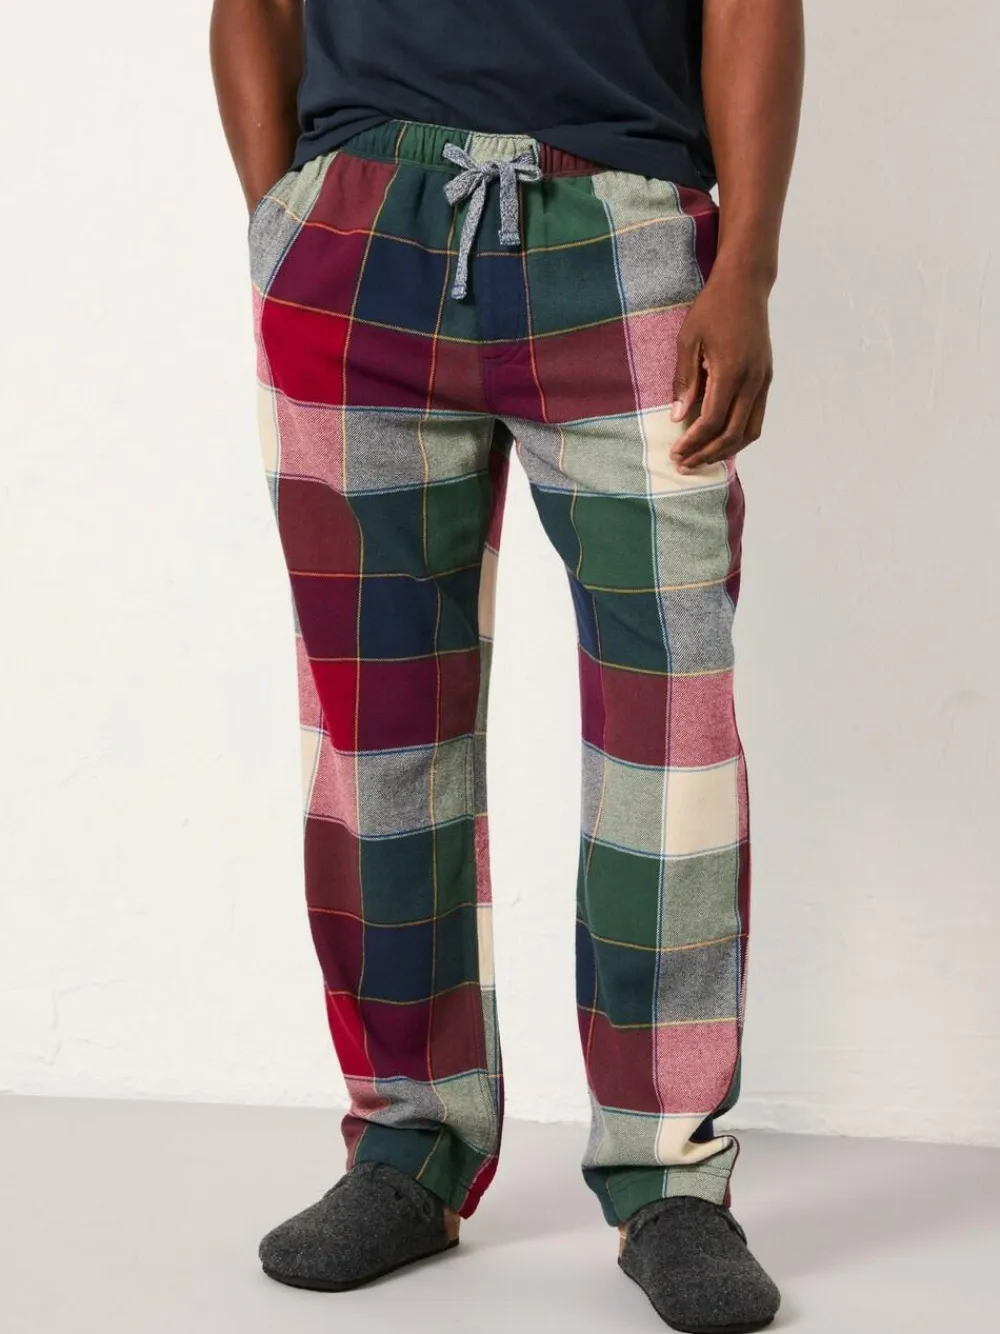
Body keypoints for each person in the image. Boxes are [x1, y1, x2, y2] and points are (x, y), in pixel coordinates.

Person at [210, 1, 803, 1328]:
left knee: (672, 741)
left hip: (624, 231)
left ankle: (669, 1179)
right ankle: (407, 1144)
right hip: (359, 233)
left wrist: (747, 268)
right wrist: (281, 226)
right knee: (376, 730)